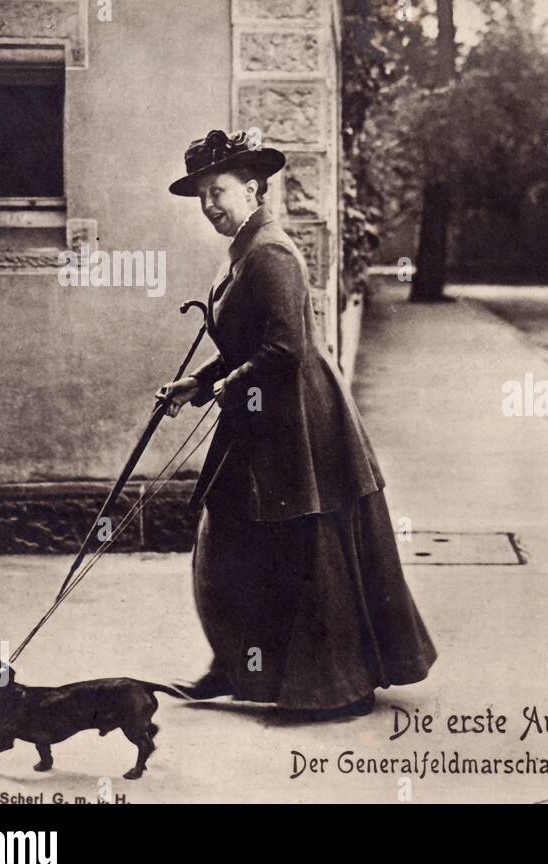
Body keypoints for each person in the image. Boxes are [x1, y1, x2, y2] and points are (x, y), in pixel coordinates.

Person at [157, 129, 436, 715]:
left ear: (253, 188)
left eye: (219, 191)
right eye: (203, 195)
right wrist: (198, 384)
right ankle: (235, 665)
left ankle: (331, 687)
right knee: (227, 538)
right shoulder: (242, 251)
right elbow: (246, 343)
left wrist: (227, 388)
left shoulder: (272, 252)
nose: (210, 206)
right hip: (260, 415)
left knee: (304, 549)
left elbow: (284, 349)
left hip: (299, 425)